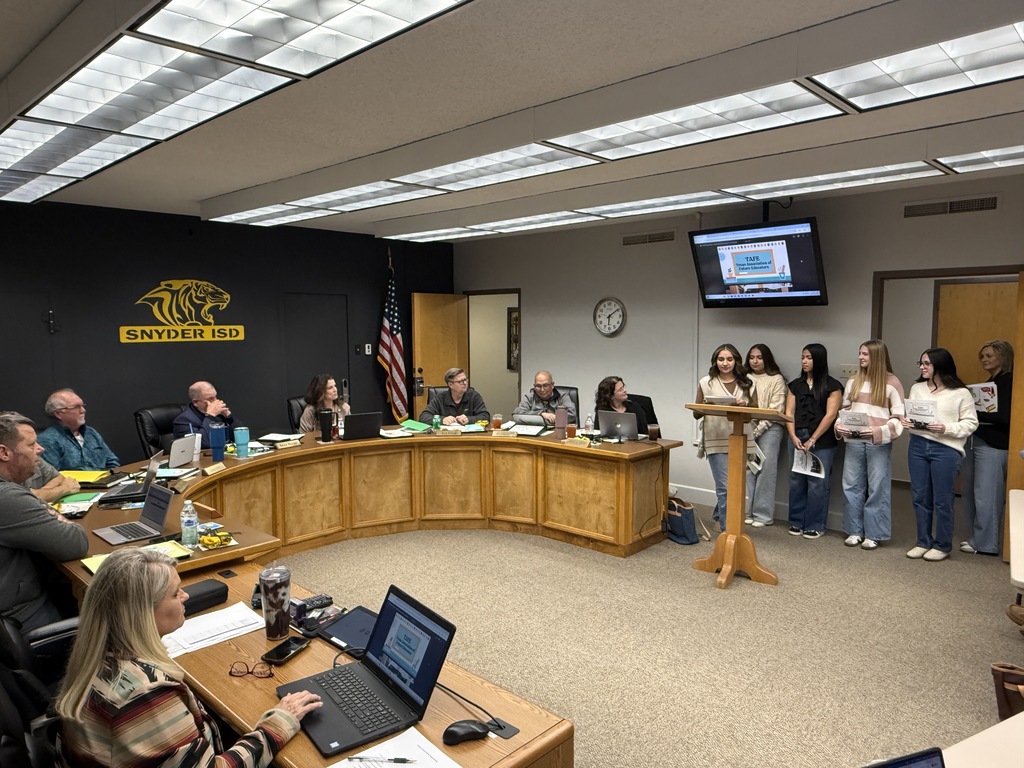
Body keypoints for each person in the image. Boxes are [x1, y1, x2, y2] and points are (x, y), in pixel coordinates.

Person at [55, 548, 322, 768]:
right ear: (141, 612)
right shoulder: (146, 695)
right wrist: (278, 723)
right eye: (175, 593)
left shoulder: (95, 651)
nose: (186, 596)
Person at [0, 412, 89, 630]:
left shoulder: (14, 488)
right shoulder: (7, 497)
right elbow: (76, 543)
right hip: (22, 619)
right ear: (4, 452)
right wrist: (58, 518)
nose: (40, 449)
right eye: (31, 445)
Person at [902, 348, 978, 562]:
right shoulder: (917, 388)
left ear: (940, 365)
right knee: (919, 496)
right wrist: (908, 422)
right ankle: (922, 541)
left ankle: (942, 545)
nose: (922, 367)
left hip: (945, 449)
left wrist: (945, 428)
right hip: (917, 445)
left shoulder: (960, 393)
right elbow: (914, 415)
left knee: (943, 500)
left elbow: (971, 423)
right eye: (921, 363)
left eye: (926, 363)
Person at [836, 339, 905, 551]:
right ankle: (854, 531)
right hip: (854, 442)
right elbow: (845, 409)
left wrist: (876, 432)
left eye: (865, 354)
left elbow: (899, 419)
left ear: (877, 357)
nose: (860, 357)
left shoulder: (892, 383)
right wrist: (840, 426)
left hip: (878, 444)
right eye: (860, 353)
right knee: (851, 486)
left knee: (877, 488)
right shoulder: (853, 381)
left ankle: (874, 533)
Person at [960, 340, 1013, 556]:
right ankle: (979, 538)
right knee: (972, 492)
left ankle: (987, 543)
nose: (985, 360)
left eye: (990, 355)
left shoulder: (1009, 382)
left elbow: (1005, 417)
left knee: (987, 495)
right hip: (977, 440)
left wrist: (973, 413)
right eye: (982, 356)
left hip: (994, 444)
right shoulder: (990, 383)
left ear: (1003, 356)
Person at [694, 345, 755, 532]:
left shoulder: (748, 381)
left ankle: (720, 516)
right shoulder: (706, 382)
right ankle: (728, 529)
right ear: (715, 361)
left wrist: (744, 405)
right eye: (721, 359)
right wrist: (709, 404)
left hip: (740, 438)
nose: (725, 363)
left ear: (736, 360)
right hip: (715, 438)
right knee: (724, 486)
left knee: (734, 485)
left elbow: (755, 411)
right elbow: (696, 413)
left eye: (729, 359)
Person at [785, 343, 842, 540]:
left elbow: (831, 414)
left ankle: (815, 524)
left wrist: (813, 438)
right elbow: (789, 413)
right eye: (802, 357)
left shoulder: (832, 385)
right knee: (796, 480)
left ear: (818, 360)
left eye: (808, 357)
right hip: (797, 436)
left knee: (818, 482)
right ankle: (796, 521)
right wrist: (793, 436)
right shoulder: (794, 385)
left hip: (821, 439)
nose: (804, 361)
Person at [745, 344, 786, 527]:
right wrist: (750, 430)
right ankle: (747, 511)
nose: (755, 361)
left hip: (771, 429)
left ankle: (762, 515)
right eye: (752, 357)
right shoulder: (743, 378)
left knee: (766, 471)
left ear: (766, 359)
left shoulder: (776, 379)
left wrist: (757, 431)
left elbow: (776, 409)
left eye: (759, 357)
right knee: (748, 470)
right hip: (747, 427)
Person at [36, 389, 119, 471]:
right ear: (58, 413)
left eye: (83, 406)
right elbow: (54, 476)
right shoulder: (47, 440)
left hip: (106, 482)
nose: (83, 410)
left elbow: (112, 462)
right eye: (76, 407)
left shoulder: (91, 433)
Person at [173, 381, 246, 448]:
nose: (216, 401)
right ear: (196, 402)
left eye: (215, 397)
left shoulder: (219, 415)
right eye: (211, 399)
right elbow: (203, 445)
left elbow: (243, 438)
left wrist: (228, 416)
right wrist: (210, 416)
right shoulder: (184, 421)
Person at [418, 368, 490, 426]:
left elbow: (485, 417)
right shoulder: (440, 398)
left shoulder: (474, 396)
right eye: (461, 381)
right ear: (450, 385)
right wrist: (442, 420)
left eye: (465, 380)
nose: (465, 383)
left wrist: (469, 419)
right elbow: (423, 417)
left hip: (469, 437)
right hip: (445, 437)